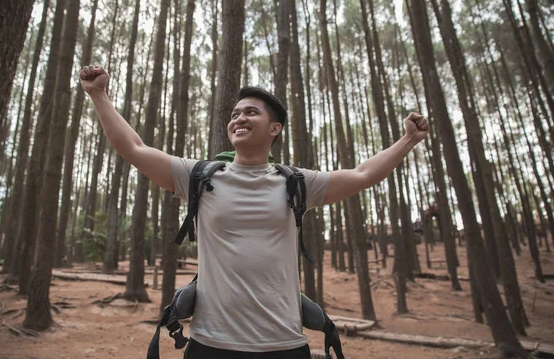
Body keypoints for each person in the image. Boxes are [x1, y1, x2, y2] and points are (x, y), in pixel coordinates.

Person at [79, 65, 429, 358]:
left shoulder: (296, 183)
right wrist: (99, 94)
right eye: (234, 114)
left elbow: (362, 174)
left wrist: (407, 140)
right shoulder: (199, 176)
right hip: (210, 343)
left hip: (284, 343)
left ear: (274, 128)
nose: (239, 118)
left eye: (251, 112)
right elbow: (134, 148)